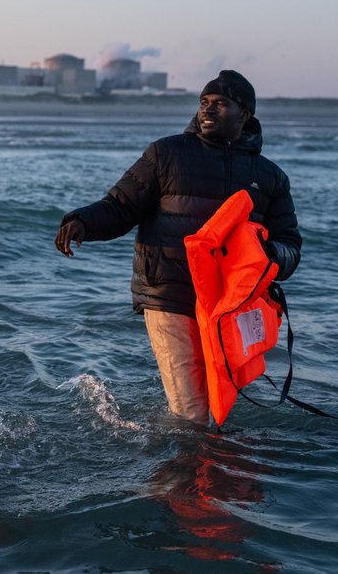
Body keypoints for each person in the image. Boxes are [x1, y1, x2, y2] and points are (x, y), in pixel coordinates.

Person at [54, 70, 301, 426]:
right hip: (169, 293)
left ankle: (191, 469)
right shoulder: (166, 154)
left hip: (229, 308)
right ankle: (184, 475)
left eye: (220, 104)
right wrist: (83, 222)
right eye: (204, 103)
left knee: (216, 410)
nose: (208, 110)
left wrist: (267, 255)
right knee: (192, 411)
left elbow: (290, 246)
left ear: (245, 114)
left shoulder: (270, 176)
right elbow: (120, 206)